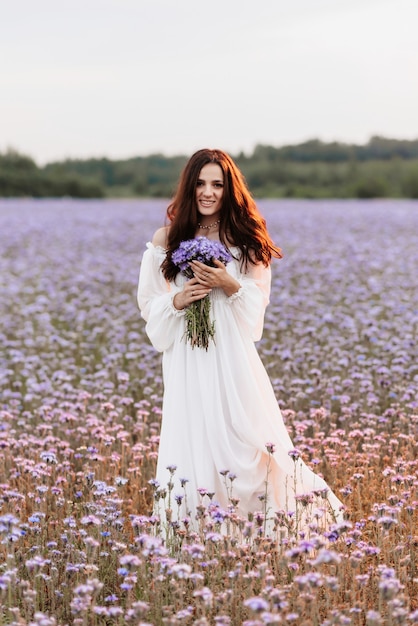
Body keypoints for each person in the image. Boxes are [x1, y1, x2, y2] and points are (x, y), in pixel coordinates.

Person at [137, 148, 344, 536]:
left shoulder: (245, 239)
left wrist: (226, 282)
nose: (208, 192)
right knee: (195, 435)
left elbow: (255, 311)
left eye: (217, 184)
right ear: (188, 187)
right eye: (200, 183)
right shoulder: (167, 238)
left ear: (229, 189)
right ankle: (195, 536)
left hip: (231, 354)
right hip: (186, 354)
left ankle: (260, 530)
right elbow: (150, 304)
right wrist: (180, 298)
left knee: (248, 438)